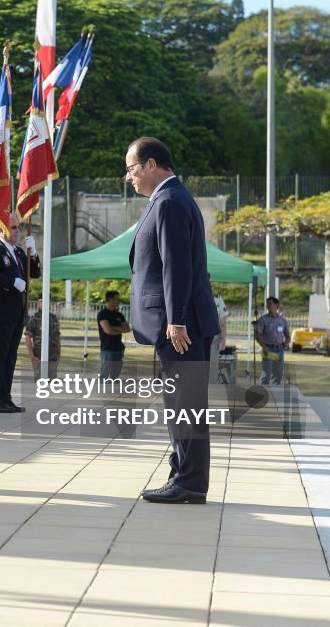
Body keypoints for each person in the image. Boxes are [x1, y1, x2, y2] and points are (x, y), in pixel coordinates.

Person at [126, 137, 220, 504]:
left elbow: (177, 266)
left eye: (132, 169)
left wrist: (177, 320)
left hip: (182, 325)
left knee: (186, 403)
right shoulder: (169, 199)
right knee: (180, 402)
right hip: (177, 323)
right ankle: (183, 473)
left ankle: (190, 482)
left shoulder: (169, 201)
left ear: (151, 165)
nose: (129, 177)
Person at [0, 215, 41, 413]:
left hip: (16, 312)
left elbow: (34, 274)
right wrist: (11, 282)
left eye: (18, 227)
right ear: (0, 230)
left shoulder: (17, 252)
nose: (17, 231)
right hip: (0, 312)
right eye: (13, 227)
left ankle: (6, 398)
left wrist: (33, 254)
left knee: (10, 357)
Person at [255, 297, 289, 385]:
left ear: (276, 305)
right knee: (267, 374)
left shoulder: (282, 320)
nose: (268, 305)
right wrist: (264, 347)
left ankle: (273, 394)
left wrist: (286, 343)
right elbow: (257, 336)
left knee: (277, 375)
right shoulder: (263, 320)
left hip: (279, 350)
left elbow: (287, 335)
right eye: (267, 303)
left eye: (270, 303)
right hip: (268, 350)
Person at [96, 290, 130, 379]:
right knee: (105, 373)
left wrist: (114, 328)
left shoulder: (119, 315)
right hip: (107, 347)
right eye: (117, 299)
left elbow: (127, 329)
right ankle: (102, 389)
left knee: (116, 374)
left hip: (118, 347)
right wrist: (119, 329)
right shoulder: (103, 314)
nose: (118, 301)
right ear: (110, 299)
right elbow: (108, 330)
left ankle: (113, 390)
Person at [25, 300, 61, 379]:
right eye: (42, 301)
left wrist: (59, 354)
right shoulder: (34, 319)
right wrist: (32, 356)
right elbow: (28, 338)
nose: (45, 303)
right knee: (40, 382)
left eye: (47, 301)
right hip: (38, 356)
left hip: (52, 355)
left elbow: (57, 336)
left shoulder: (53, 318)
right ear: (38, 303)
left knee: (52, 383)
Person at [208, 294, 228, 384]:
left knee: (212, 364)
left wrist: (223, 339)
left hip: (213, 337)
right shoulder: (217, 299)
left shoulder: (218, 299)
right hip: (200, 337)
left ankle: (210, 387)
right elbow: (223, 322)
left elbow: (223, 322)